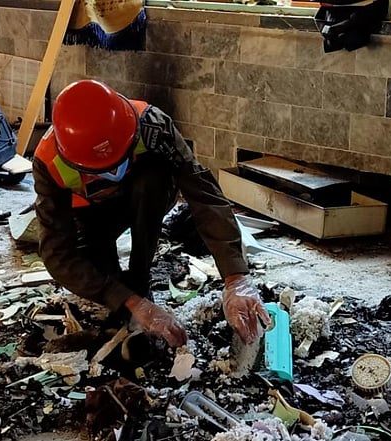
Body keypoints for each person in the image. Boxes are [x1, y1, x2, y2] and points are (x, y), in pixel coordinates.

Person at [32, 80, 272, 348]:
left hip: (144, 198)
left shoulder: (152, 125)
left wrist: (235, 277)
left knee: (152, 180)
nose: (111, 173)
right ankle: (128, 292)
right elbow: (56, 252)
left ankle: (140, 276)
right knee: (104, 282)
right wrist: (131, 301)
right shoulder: (48, 161)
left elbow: (203, 194)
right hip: (89, 216)